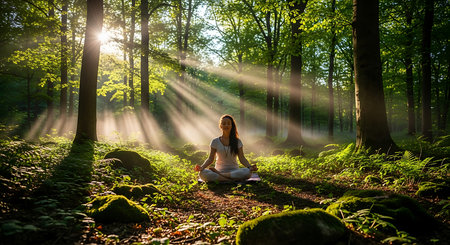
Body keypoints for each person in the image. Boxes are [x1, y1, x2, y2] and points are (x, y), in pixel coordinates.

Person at [195, 114, 257, 182]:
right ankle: (230, 178)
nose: (226, 125)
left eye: (228, 124)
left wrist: (250, 167)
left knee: (247, 171)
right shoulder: (215, 141)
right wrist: (202, 167)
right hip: (219, 169)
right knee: (202, 173)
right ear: (220, 126)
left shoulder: (237, 141)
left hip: (234, 171)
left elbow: (242, 158)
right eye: (224, 124)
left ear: (231, 126)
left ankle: (221, 176)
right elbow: (210, 159)